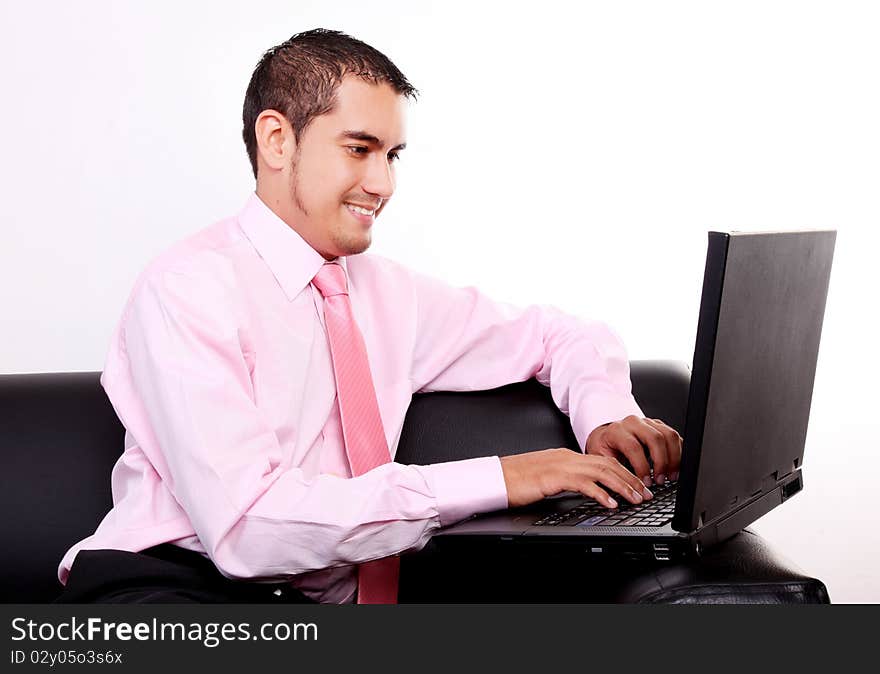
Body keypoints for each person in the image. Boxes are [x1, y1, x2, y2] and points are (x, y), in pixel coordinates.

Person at [56, 28, 681, 604]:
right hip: (169, 589)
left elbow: (560, 334)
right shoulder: (185, 291)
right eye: (359, 149)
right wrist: (507, 476)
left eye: (393, 155)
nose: (382, 183)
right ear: (277, 140)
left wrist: (608, 414)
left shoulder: (390, 296)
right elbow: (248, 528)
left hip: (317, 605)